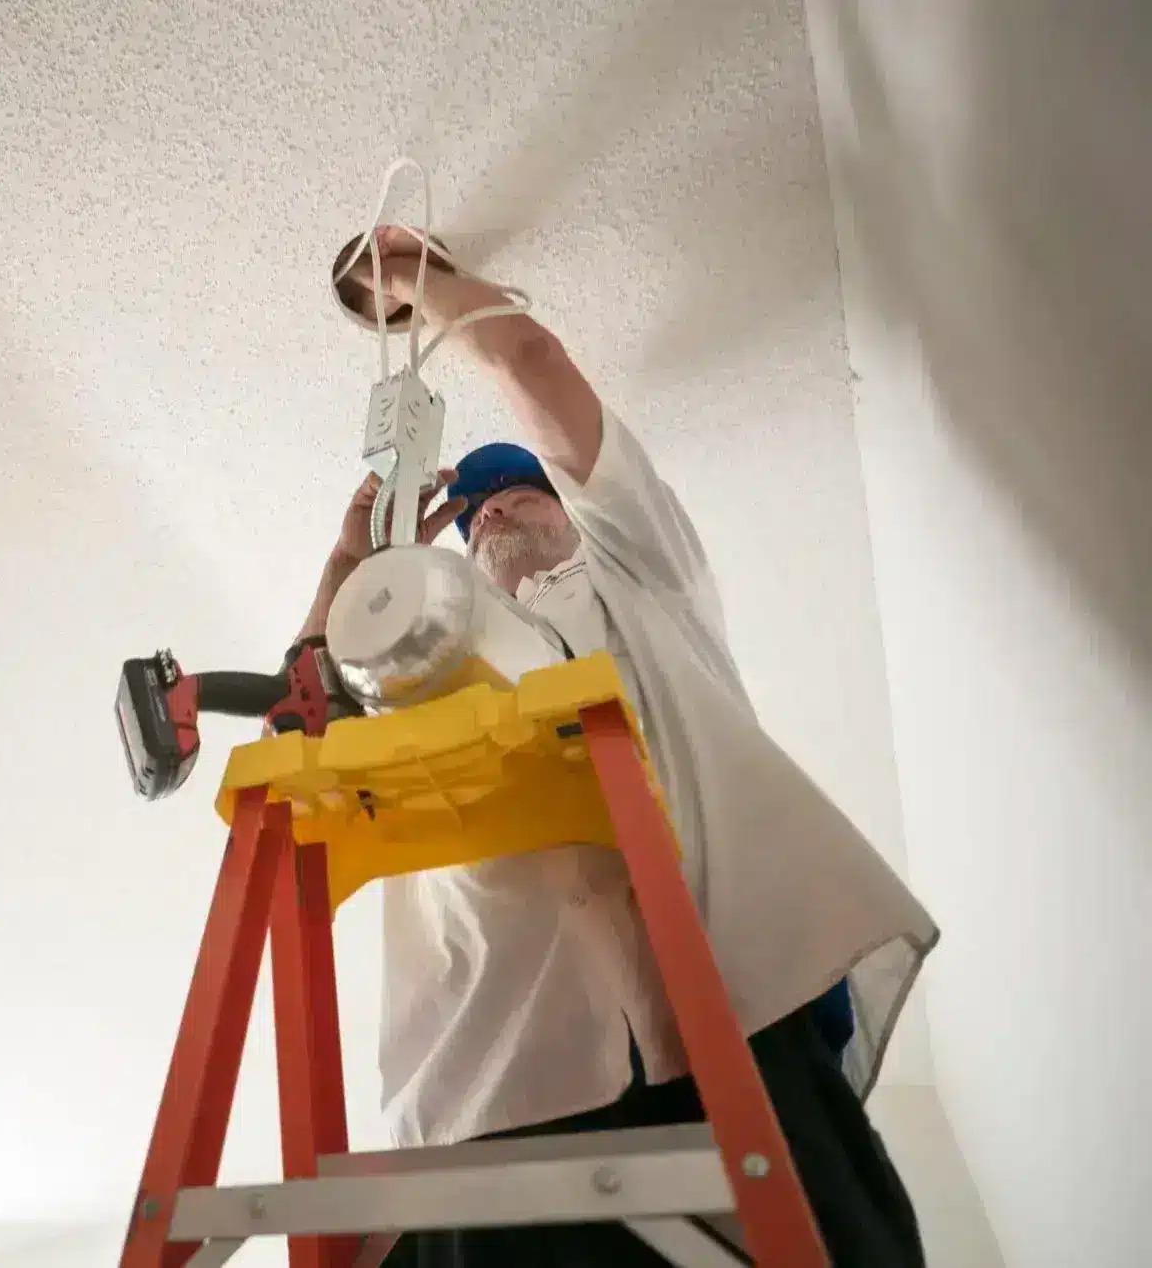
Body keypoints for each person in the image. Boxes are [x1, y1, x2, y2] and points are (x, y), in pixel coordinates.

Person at [295, 228, 940, 1267]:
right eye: (475, 512)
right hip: (499, 1078)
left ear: (573, 516)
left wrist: (429, 285)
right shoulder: (427, 666)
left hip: (731, 1031)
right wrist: (350, 560)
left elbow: (539, 375)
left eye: (521, 493)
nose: (494, 507)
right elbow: (311, 716)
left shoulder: (642, 582)